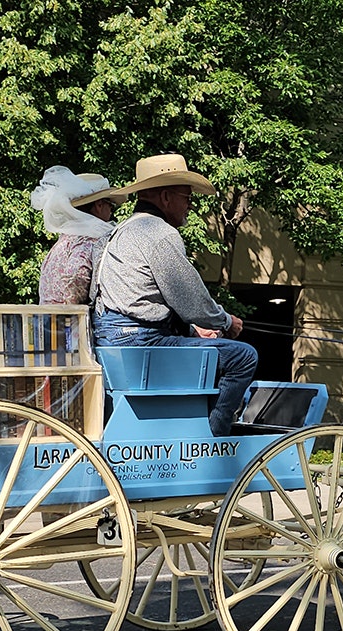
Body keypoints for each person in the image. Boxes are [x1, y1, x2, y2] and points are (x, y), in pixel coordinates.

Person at [91, 154, 257, 437]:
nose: (190, 206)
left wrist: (191, 329)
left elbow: (137, 301)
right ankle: (210, 444)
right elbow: (193, 302)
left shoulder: (116, 232)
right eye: (187, 198)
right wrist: (226, 322)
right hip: (142, 344)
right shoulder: (157, 233)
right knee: (243, 357)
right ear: (166, 197)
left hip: (111, 342)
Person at [31, 167, 124, 305]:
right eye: (110, 205)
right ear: (99, 205)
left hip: (49, 320)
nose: (111, 211)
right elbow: (77, 276)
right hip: (68, 323)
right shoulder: (88, 240)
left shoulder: (65, 240)